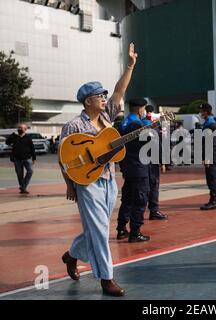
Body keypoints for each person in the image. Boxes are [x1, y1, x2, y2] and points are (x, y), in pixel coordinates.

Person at [59, 43, 138, 297]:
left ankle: (71, 255)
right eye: (99, 96)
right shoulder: (73, 126)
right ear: (87, 100)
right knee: (101, 232)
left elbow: (120, 89)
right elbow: (64, 159)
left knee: (99, 227)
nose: (105, 98)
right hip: (87, 183)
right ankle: (106, 279)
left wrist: (130, 66)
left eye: (104, 96)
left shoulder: (107, 117)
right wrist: (70, 185)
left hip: (109, 179)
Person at [116, 98, 152, 243]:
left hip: (127, 166)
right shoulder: (137, 124)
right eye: (143, 108)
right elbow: (149, 143)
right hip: (139, 167)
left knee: (127, 199)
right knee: (140, 200)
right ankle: (135, 232)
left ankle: (121, 228)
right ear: (140, 109)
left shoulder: (122, 124)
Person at [199, 103, 216, 211]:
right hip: (211, 154)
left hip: (211, 154)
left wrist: (206, 157)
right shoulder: (208, 123)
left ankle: (213, 201)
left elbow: (210, 143)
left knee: (211, 179)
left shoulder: (211, 125)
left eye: (202, 111)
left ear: (206, 112)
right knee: (212, 178)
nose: (201, 113)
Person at [6, 124, 36, 194]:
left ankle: (23, 185)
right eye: (18, 127)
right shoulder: (15, 137)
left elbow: (32, 148)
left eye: (21, 128)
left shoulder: (28, 138)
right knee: (19, 174)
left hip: (27, 159)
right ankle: (23, 188)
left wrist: (34, 157)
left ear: (25, 129)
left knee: (30, 171)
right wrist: (13, 134)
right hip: (17, 159)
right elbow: (7, 142)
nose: (19, 129)